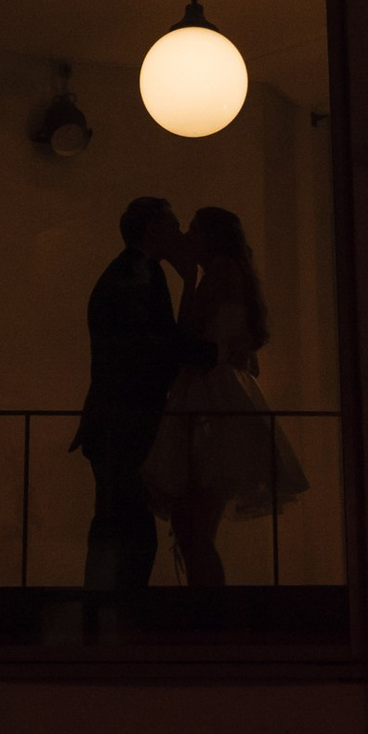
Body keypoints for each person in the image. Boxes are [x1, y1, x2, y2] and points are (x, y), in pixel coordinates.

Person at [143, 205, 309, 589]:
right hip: (214, 390)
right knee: (194, 526)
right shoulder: (228, 274)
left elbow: (187, 336)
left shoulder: (219, 273)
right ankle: (207, 608)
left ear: (209, 237)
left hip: (210, 394)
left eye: (193, 231)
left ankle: (209, 611)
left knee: (194, 527)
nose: (186, 237)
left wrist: (185, 279)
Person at [72, 195, 209, 599]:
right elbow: (156, 344)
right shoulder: (140, 273)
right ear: (153, 230)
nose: (180, 234)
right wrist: (216, 354)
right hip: (125, 420)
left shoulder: (132, 270)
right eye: (172, 226)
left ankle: (107, 612)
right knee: (129, 523)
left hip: (115, 419)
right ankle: (118, 612)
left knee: (118, 520)